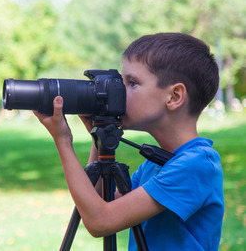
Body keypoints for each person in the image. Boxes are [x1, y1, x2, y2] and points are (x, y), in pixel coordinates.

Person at [34, 33, 224, 250]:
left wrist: (63, 141)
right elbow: (99, 202)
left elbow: (100, 221)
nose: (118, 92)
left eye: (132, 83)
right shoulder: (157, 163)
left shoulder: (197, 165)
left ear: (174, 97)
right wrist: (100, 138)